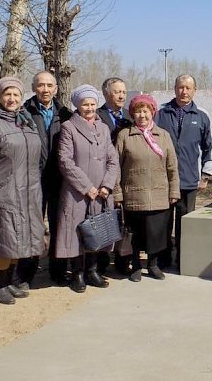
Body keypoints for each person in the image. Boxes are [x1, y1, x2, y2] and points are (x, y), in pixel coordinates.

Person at [0, 76, 44, 304]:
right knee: (5, 240)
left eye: (16, 94)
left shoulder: (25, 120)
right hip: (4, 191)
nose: (12, 99)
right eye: (7, 94)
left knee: (18, 241)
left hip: (29, 192)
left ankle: (9, 281)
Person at [55, 84, 119, 293]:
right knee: (76, 233)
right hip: (77, 193)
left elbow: (113, 159)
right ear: (78, 105)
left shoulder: (103, 128)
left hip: (101, 192)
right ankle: (78, 274)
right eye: (85, 104)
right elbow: (65, 161)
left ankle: (92, 271)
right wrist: (86, 187)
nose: (90, 108)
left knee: (97, 231)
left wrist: (107, 185)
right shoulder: (68, 128)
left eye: (92, 104)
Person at [114, 94, 180, 281]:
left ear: (152, 112)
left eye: (146, 111)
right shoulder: (125, 135)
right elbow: (116, 166)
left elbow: (172, 166)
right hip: (134, 195)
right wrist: (117, 193)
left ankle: (153, 265)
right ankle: (135, 266)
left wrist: (174, 191)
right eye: (137, 111)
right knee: (135, 234)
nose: (142, 115)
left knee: (156, 234)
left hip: (159, 195)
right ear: (132, 114)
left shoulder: (163, 136)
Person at [16, 71, 72, 288]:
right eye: (41, 85)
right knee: (31, 228)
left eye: (50, 85)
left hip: (59, 180)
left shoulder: (65, 113)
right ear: (34, 87)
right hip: (32, 180)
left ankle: (58, 271)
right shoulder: (23, 113)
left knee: (60, 226)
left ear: (56, 88)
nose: (46, 90)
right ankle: (25, 275)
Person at [155, 74, 212, 267]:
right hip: (162, 179)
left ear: (194, 91)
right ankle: (163, 259)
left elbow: (209, 147)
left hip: (189, 180)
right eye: (181, 87)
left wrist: (205, 175)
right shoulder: (161, 113)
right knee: (163, 222)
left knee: (185, 223)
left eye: (189, 88)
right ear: (174, 89)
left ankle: (183, 260)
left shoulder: (202, 116)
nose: (184, 91)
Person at [96, 77, 133, 275]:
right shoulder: (96, 115)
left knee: (125, 222)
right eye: (117, 91)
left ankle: (122, 261)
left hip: (126, 175)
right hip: (103, 175)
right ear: (106, 93)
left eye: (124, 92)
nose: (121, 95)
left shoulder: (129, 116)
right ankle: (101, 264)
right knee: (105, 218)